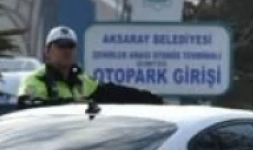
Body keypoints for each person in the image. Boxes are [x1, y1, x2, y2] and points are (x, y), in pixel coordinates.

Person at [17, 25, 167, 107]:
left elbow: (116, 93)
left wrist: (154, 99)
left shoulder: (83, 80)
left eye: (70, 46)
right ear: (47, 51)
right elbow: (27, 105)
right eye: (60, 46)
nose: (66, 50)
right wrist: (71, 104)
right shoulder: (36, 79)